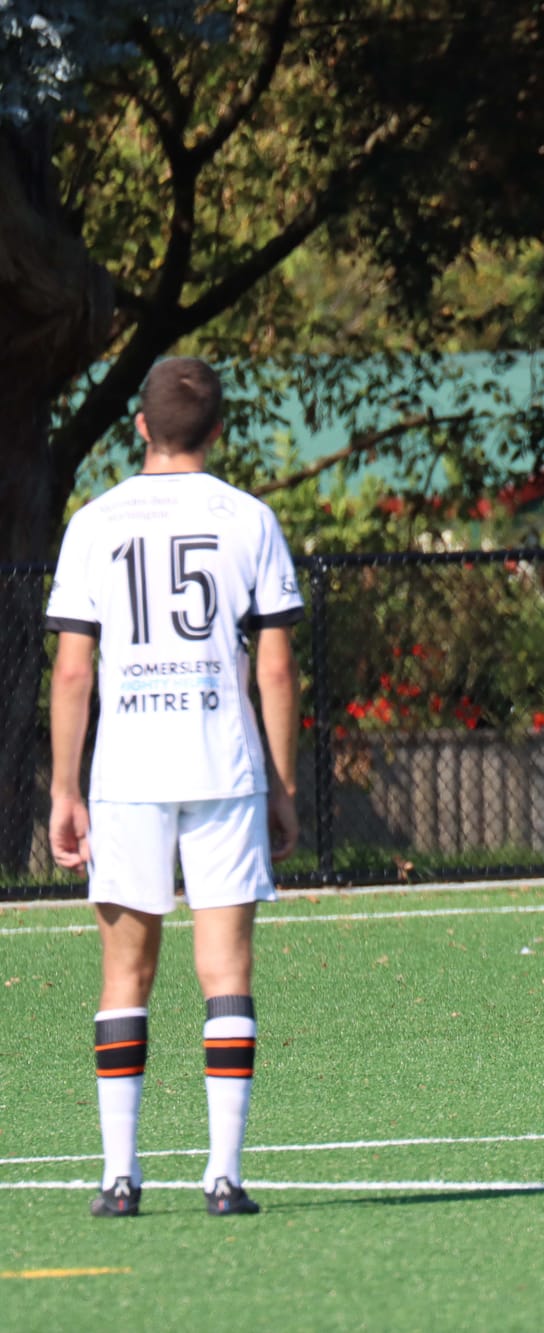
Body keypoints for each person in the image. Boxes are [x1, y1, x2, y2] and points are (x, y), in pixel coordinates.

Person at [46, 357, 303, 1217]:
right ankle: (224, 1177)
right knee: (224, 971)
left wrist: (63, 788)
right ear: (219, 429)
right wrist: (283, 784)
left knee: (127, 973)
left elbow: (74, 672)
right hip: (222, 768)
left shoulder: (95, 521)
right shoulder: (249, 518)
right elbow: (273, 665)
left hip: (127, 777)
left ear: (142, 427)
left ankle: (121, 1179)